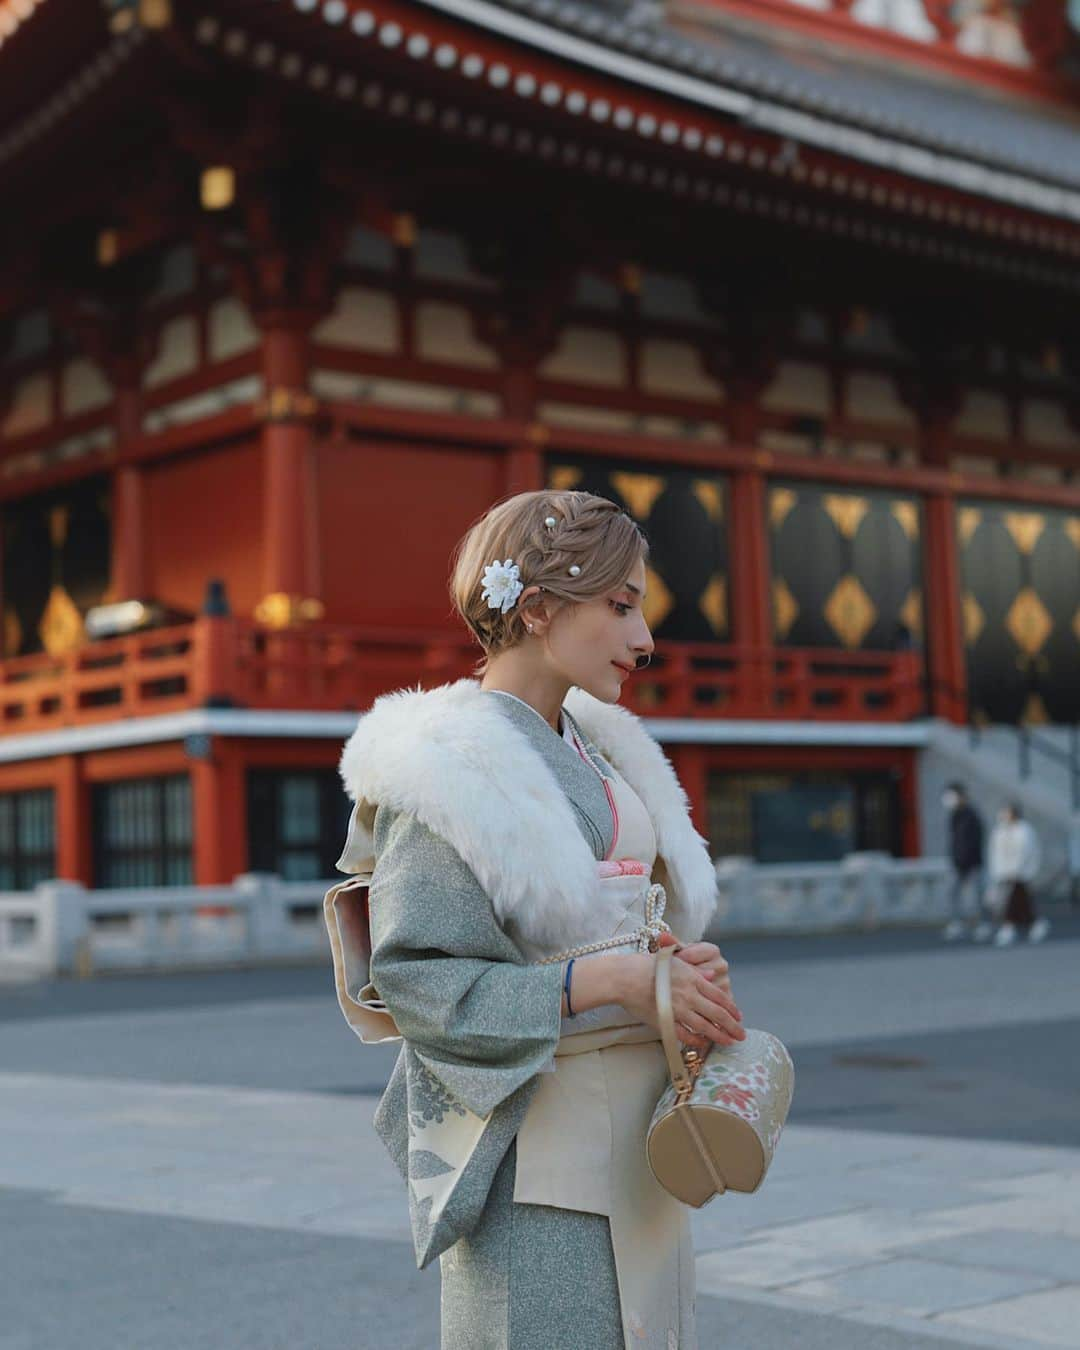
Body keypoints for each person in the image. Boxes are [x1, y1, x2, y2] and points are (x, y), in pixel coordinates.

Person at [324, 490, 744, 1349]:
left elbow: (614, 917)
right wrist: (606, 978)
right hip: (537, 1134)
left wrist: (668, 967)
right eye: (621, 607)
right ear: (540, 608)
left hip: (641, 1119)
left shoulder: (597, 746)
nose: (645, 639)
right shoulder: (448, 769)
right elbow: (417, 982)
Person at [988, 802, 1049, 946]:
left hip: (1020, 873)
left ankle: (1008, 927)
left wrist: (1016, 870)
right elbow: (995, 853)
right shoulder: (1000, 831)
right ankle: (1035, 924)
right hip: (1004, 873)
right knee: (1022, 903)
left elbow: (1026, 852)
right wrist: (997, 872)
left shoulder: (1024, 830)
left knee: (1011, 902)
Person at [941, 782, 993, 941]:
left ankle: (982, 925)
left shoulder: (971, 815)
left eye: (952, 796)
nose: (948, 800)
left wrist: (967, 860)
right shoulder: (954, 816)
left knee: (976, 897)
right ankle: (957, 924)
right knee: (953, 894)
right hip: (957, 863)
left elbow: (974, 842)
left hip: (972, 863)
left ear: (961, 796)